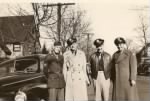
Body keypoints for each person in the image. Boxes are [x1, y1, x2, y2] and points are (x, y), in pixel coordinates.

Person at [111, 37, 139, 101]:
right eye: (117, 44)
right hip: (117, 80)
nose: (119, 46)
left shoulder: (130, 53)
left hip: (127, 80)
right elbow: (112, 67)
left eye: (121, 44)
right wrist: (113, 78)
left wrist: (133, 79)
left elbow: (134, 67)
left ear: (124, 44)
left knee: (129, 97)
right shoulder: (115, 54)